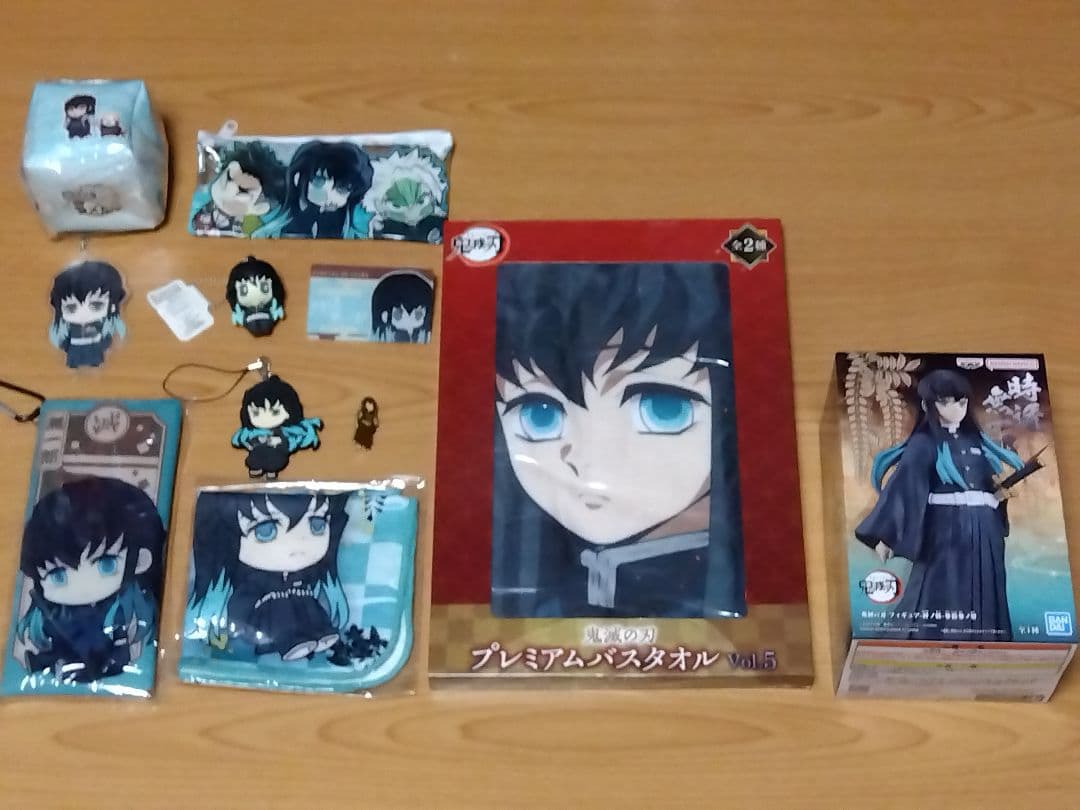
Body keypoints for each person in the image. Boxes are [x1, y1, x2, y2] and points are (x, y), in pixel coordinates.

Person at [491, 261, 744, 618]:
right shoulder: (525, 559)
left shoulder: (731, 566)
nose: (592, 463)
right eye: (539, 416)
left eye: (663, 410)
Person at [855, 369, 1024, 641]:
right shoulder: (924, 444)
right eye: (945, 402)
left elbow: (989, 484)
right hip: (945, 528)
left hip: (985, 529)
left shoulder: (978, 442)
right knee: (941, 586)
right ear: (928, 405)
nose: (956, 409)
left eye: (961, 402)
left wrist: (998, 496)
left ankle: (987, 643)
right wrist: (883, 536)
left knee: (986, 585)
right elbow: (905, 486)